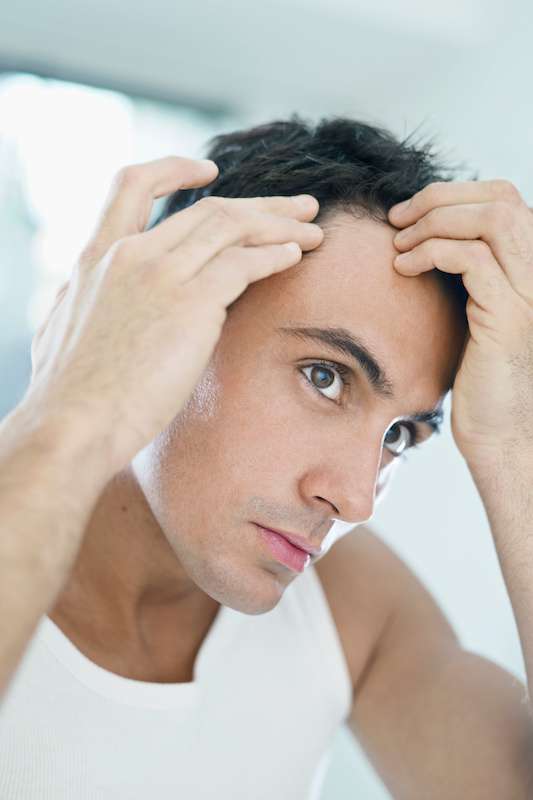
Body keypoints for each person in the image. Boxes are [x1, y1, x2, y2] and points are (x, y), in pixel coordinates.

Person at [0, 116, 532, 799]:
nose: (355, 499)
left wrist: (514, 441)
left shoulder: (348, 604)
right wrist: (74, 408)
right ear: (165, 320)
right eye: (325, 376)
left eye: (399, 434)